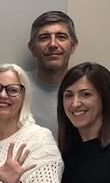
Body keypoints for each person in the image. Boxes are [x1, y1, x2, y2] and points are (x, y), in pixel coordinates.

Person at [27, 11, 80, 139]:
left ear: (73, 46)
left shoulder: (90, 91)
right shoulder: (14, 88)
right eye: (44, 37)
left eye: (61, 37)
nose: (53, 44)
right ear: (32, 47)